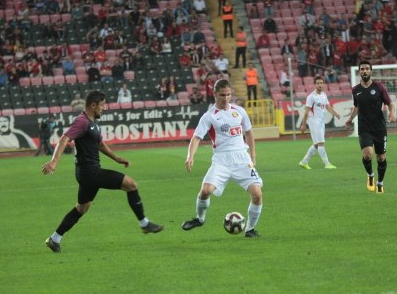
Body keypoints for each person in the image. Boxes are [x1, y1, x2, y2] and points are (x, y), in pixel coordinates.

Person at [42, 91, 164, 253]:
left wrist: (117, 158)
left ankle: (54, 238)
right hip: (90, 172)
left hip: (86, 174)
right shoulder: (82, 122)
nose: (104, 109)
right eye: (102, 105)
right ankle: (144, 224)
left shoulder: (91, 122)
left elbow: (100, 144)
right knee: (131, 184)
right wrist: (54, 162)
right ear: (93, 105)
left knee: (82, 208)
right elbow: (65, 138)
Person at [181, 79, 263, 238]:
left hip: (242, 159)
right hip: (221, 160)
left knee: (257, 194)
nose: (226, 98)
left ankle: (250, 229)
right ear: (215, 94)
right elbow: (196, 137)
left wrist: (253, 156)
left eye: (228, 95)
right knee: (205, 191)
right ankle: (200, 219)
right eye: (222, 95)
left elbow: (249, 133)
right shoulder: (209, 116)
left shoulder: (239, 111)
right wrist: (190, 156)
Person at [345, 60, 396, 193]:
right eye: (362, 69)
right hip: (364, 128)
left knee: (381, 157)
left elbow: (390, 103)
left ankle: (380, 182)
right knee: (367, 155)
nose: (365, 71)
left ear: (371, 71)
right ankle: (370, 176)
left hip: (379, 128)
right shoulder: (356, 90)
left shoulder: (379, 87)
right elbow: (356, 107)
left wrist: (392, 113)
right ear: (359, 71)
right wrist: (350, 119)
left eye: (367, 69)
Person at [299, 76, 341, 170]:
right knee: (321, 143)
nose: (319, 85)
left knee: (316, 144)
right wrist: (303, 124)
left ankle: (304, 162)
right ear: (315, 84)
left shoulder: (324, 95)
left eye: (321, 83)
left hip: (321, 123)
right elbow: (306, 111)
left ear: (323, 84)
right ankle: (327, 164)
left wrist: (336, 114)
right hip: (314, 122)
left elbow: (328, 107)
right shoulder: (311, 97)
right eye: (317, 83)